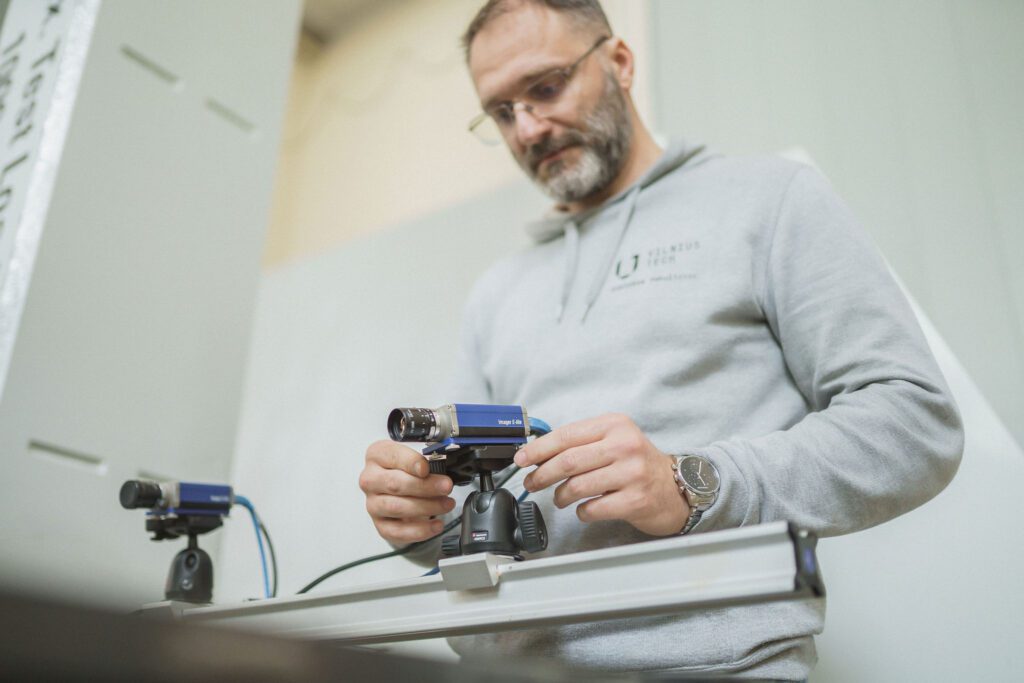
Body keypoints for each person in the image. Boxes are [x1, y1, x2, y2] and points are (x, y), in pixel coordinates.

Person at [358, 0, 964, 679]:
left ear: (619, 62)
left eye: (546, 87)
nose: (527, 127)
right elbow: (471, 520)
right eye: (501, 112)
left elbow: (914, 422)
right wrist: (418, 517)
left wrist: (693, 482)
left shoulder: (768, 200)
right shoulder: (497, 291)